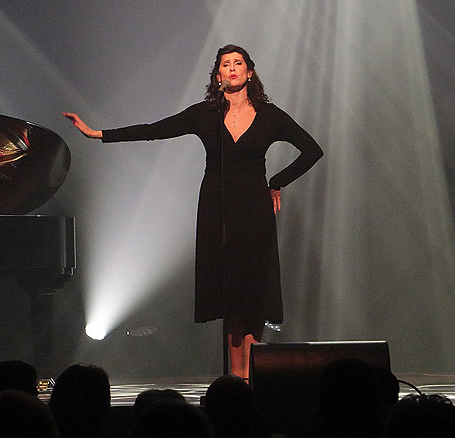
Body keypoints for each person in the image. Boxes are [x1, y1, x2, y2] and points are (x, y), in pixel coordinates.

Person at [63, 45, 322, 377]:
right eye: (225, 64)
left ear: (249, 72)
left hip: (255, 209)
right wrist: (96, 133)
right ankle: (236, 376)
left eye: (238, 63)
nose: (231, 68)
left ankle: (252, 375)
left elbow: (312, 149)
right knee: (230, 292)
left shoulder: (270, 115)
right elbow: (154, 130)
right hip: (217, 208)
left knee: (254, 288)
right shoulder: (205, 114)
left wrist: (277, 181)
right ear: (217, 76)